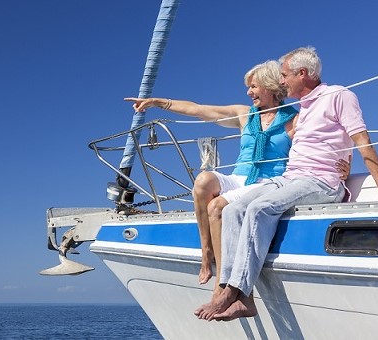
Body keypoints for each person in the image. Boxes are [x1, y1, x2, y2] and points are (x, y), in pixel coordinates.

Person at [194, 47, 378, 321]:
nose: (281, 81)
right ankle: (243, 298)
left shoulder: (339, 96)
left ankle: (231, 290)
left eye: (285, 75)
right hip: (290, 178)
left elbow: (361, 140)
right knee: (233, 209)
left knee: (260, 208)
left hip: (320, 181)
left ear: (303, 74)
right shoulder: (303, 108)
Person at [126, 61, 333, 290]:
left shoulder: (294, 120)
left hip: (267, 182)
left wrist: (340, 163)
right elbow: (198, 110)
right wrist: (157, 103)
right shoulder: (244, 115)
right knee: (203, 180)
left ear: (269, 86)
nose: (249, 92)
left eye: (253, 86)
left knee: (217, 206)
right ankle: (206, 252)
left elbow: (316, 144)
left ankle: (221, 279)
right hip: (239, 177)